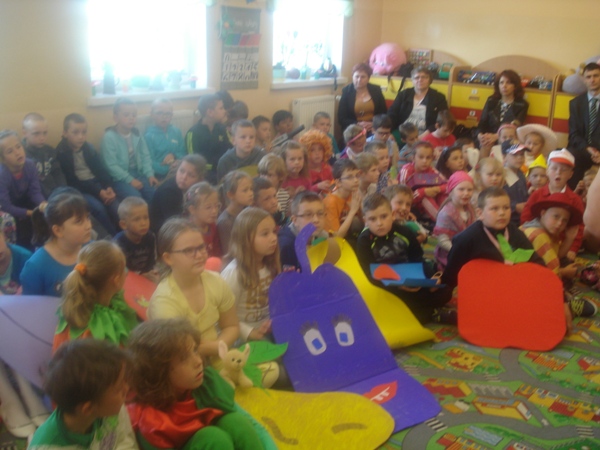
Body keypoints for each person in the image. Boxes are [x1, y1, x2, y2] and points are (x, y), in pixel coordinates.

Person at [127, 318, 266, 450]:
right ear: (159, 371)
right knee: (213, 438)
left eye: (194, 350)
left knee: (235, 421)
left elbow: (249, 421)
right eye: (183, 358)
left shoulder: (204, 384)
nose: (198, 361)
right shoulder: (151, 420)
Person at [149, 219, 239, 362]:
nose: (199, 255)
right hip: (183, 365)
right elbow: (179, 351)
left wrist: (217, 347)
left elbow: (231, 326)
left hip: (218, 355)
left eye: (201, 247)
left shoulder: (216, 281)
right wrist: (217, 348)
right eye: (188, 251)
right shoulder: (164, 301)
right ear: (168, 258)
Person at [356, 193, 451, 323]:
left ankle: (422, 312)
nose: (379, 223)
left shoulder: (404, 232)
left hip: (410, 280)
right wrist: (397, 287)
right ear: (365, 220)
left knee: (445, 291)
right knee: (389, 303)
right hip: (386, 287)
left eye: (383, 216)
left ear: (392, 215)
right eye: (372, 219)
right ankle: (431, 314)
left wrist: (430, 278)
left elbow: (417, 258)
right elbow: (367, 274)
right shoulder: (364, 241)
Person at [29, 339, 138, 450]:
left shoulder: (111, 409)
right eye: (118, 389)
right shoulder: (47, 446)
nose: (126, 388)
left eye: (123, 381)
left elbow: (126, 441)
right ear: (88, 408)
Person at [441, 187, 545, 289]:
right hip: (480, 289)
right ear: (480, 213)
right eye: (494, 209)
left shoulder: (515, 233)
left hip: (513, 286)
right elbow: (451, 275)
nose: (502, 213)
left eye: (506, 208)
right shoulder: (466, 239)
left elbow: (536, 262)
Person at [53, 241, 138, 351]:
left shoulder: (75, 303)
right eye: (124, 270)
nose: (126, 273)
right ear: (116, 280)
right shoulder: (104, 330)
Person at [221, 207, 280, 343]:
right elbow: (223, 317)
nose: (273, 238)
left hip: (270, 331)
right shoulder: (233, 273)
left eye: (274, 232)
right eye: (265, 234)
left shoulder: (270, 266)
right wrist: (250, 332)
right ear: (245, 239)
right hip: (242, 339)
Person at [57, 113, 120, 236]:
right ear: (65, 133)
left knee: (116, 207)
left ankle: (125, 235)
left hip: (97, 184)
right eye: (75, 132)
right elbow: (72, 181)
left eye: (84, 132)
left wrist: (108, 187)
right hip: (80, 189)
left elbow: (100, 170)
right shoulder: (61, 153)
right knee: (99, 209)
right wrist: (99, 192)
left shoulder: (88, 148)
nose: (81, 137)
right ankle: (112, 238)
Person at [21, 190, 91, 296]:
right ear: (58, 230)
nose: (88, 226)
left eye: (88, 218)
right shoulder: (35, 267)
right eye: (78, 221)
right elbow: (31, 304)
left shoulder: (92, 249)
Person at [521, 149, 585, 260]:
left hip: (561, 246)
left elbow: (578, 228)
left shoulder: (575, 200)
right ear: (547, 170)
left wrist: (573, 249)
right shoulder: (537, 195)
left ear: (570, 174)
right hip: (537, 242)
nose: (558, 173)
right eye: (554, 168)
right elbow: (526, 219)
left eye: (564, 170)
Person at [101, 98, 158, 202]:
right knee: (136, 197)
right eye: (126, 115)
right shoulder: (109, 137)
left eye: (134, 115)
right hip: (118, 178)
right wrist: (130, 180)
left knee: (153, 194)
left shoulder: (137, 134)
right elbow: (111, 166)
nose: (131, 118)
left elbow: (145, 156)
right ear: (116, 118)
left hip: (138, 173)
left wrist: (150, 174)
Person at [0, 129, 47, 249]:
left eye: (18, 147)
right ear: (3, 159)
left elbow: (35, 192)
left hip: (25, 201)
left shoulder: (30, 165)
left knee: (45, 207)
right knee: (24, 229)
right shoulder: (2, 175)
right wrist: (31, 213)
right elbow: (6, 206)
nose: (17, 153)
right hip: (9, 209)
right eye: (10, 151)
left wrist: (43, 204)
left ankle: (44, 244)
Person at [477, 70, 529, 157]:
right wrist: (480, 136)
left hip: (508, 138)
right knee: (486, 143)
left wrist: (497, 136)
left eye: (508, 83)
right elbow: (482, 123)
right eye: (501, 83)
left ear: (515, 86)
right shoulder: (491, 100)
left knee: (499, 142)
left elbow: (515, 126)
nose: (504, 86)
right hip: (489, 138)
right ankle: (482, 165)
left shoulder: (522, 104)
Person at [149, 154, 206, 233]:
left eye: (191, 175)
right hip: (164, 233)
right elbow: (175, 226)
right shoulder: (168, 192)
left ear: (200, 180)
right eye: (181, 171)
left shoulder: (196, 189)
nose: (184, 177)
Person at [278, 191, 333, 272]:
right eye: (308, 215)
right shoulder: (287, 245)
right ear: (295, 220)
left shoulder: (322, 236)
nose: (316, 220)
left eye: (320, 213)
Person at [388, 66, 448, 136]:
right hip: (402, 132)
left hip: (426, 133)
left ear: (430, 80)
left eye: (424, 77)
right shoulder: (403, 94)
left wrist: (425, 135)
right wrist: (389, 131)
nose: (420, 80)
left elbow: (443, 120)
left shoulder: (439, 97)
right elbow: (392, 114)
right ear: (412, 80)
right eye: (416, 77)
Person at [433, 172, 476, 270]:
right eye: (461, 189)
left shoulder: (470, 209)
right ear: (451, 191)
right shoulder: (446, 213)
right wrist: (459, 252)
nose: (466, 193)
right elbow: (443, 241)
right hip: (449, 255)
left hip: (467, 252)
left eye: (469, 190)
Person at [398, 141, 447, 222]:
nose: (424, 161)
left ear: (432, 158)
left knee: (443, 195)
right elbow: (402, 197)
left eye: (428, 158)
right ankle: (442, 222)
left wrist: (436, 189)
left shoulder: (431, 170)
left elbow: (448, 185)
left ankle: (450, 218)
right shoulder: (406, 170)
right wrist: (423, 192)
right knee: (425, 198)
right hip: (410, 206)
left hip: (427, 206)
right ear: (413, 158)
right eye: (421, 157)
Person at [185, 94, 230, 184]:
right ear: (210, 112)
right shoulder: (193, 133)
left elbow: (231, 148)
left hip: (223, 169)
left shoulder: (222, 129)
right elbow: (193, 161)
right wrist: (215, 166)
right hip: (203, 174)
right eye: (221, 108)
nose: (224, 111)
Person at [569, 62, 600, 188]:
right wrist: (588, 149)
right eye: (588, 77)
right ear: (584, 80)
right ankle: (572, 197)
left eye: (596, 76)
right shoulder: (575, 103)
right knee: (571, 155)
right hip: (583, 149)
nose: (592, 80)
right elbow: (574, 134)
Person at [22, 112, 66, 198]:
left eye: (45, 133)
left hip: (56, 193)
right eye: (36, 133)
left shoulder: (50, 151)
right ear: (25, 133)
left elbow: (57, 173)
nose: (42, 138)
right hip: (37, 197)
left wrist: (63, 191)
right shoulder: (21, 154)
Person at [113, 197, 157, 281]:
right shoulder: (118, 244)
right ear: (123, 225)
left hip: (146, 274)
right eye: (137, 219)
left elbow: (151, 260)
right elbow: (122, 270)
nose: (143, 223)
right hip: (127, 278)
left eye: (146, 217)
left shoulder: (150, 237)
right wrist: (140, 276)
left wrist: (149, 272)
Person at [337, 63, 387, 132]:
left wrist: (373, 124)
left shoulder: (376, 90)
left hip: (373, 127)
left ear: (368, 78)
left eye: (363, 77)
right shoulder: (346, 91)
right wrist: (357, 124)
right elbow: (341, 118)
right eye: (357, 76)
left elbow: (383, 113)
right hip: (354, 128)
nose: (359, 80)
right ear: (352, 77)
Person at [144, 98, 186, 180]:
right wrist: (168, 169)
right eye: (159, 113)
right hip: (160, 174)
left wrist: (174, 156)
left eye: (168, 114)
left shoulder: (176, 132)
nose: (164, 117)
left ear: (172, 115)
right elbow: (149, 162)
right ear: (152, 114)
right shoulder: (148, 136)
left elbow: (183, 153)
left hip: (178, 170)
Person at [324, 159, 362, 239]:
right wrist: (352, 212)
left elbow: (366, 224)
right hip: (329, 241)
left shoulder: (354, 193)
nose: (356, 180)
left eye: (357, 175)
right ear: (338, 182)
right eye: (349, 177)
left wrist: (360, 208)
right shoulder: (331, 202)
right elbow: (336, 237)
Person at [217, 171, 254, 254]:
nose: (251, 193)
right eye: (245, 190)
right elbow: (229, 253)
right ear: (230, 195)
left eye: (251, 189)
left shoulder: (249, 212)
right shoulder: (225, 222)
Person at [184, 182, 222, 258]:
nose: (214, 211)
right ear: (192, 209)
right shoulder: (188, 232)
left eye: (216, 206)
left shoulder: (213, 226)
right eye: (208, 207)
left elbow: (217, 252)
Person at [298, 129, 334, 194]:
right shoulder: (303, 171)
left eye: (320, 149)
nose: (317, 153)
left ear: (325, 150)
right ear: (306, 152)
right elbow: (302, 193)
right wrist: (317, 187)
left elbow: (333, 187)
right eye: (312, 150)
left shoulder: (328, 168)